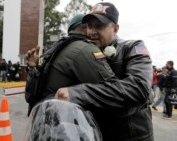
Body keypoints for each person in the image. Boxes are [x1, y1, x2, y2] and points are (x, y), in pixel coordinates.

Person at [55, 3, 153, 141]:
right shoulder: (86, 52)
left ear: (115, 28)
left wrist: (77, 93)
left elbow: (138, 89)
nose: (92, 31)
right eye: (89, 26)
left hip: (132, 137)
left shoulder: (133, 48)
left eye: (99, 25)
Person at [25, 13, 115, 116]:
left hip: (42, 119)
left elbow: (31, 93)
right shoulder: (86, 49)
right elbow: (113, 92)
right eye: (92, 26)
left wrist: (33, 66)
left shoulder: (54, 48)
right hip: (66, 125)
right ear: (87, 28)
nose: (94, 31)